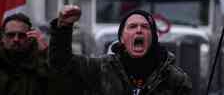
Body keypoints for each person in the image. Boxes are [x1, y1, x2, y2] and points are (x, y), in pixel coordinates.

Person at [49, 5, 192, 95]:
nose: (139, 30)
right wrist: (63, 28)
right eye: (132, 26)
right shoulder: (100, 69)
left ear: (153, 37)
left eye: (145, 27)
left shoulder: (175, 79)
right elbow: (61, 63)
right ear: (122, 38)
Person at [0, 13, 49, 95]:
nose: (16, 39)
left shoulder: (39, 62)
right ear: (2, 36)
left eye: (21, 35)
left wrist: (45, 52)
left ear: (30, 37)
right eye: (10, 35)